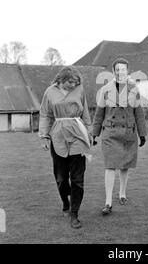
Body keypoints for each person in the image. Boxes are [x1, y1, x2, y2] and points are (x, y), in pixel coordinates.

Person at [39, 66, 92, 229]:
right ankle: (65, 202)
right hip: (58, 135)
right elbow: (45, 114)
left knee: (77, 179)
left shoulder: (80, 90)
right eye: (71, 82)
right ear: (61, 79)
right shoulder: (50, 92)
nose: (73, 85)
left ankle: (75, 214)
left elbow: (86, 114)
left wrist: (89, 134)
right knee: (61, 178)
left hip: (77, 134)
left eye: (76, 82)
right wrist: (44, 136)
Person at [92, 57, 147, 215]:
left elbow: (139, 113)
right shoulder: (105, 89)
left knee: (125, 165)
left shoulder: (134, 89)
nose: (120, 72)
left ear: (127, 70)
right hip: (110, 133)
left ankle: (122, 193)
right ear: (113, 71)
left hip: (128, 133)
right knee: (110, 166)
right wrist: (94, 134)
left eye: (123, 69)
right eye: (117, 69)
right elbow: (99, 114)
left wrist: (142, 134)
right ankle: (108, 202)